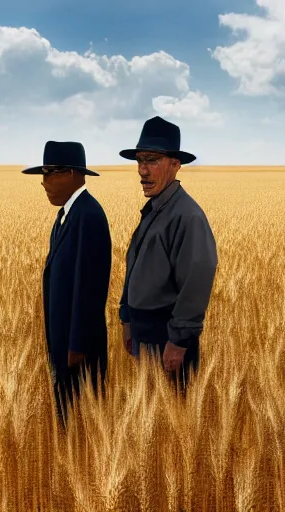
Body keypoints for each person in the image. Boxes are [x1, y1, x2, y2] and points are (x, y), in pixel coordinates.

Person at [118, 116, 218, 393]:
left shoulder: (188, 216)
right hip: (144, 332)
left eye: (151, 160)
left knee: (173, 418)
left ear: (175, 165)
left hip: (166, 337)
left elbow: (196, 281)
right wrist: (127, 319)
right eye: (139, 161)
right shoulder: (154, 209)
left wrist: (179, 341)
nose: (142, 170)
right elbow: (135, 268)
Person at [22, 141, 112, 426]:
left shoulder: (89, 215)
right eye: (43, 174)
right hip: (64, 345)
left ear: (72, 174)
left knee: (81, 426)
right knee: (67, 420)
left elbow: (91, 284)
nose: (44, 182)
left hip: (78, 352)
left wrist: (78, 345)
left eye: (51, 173)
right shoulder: (65, 216)